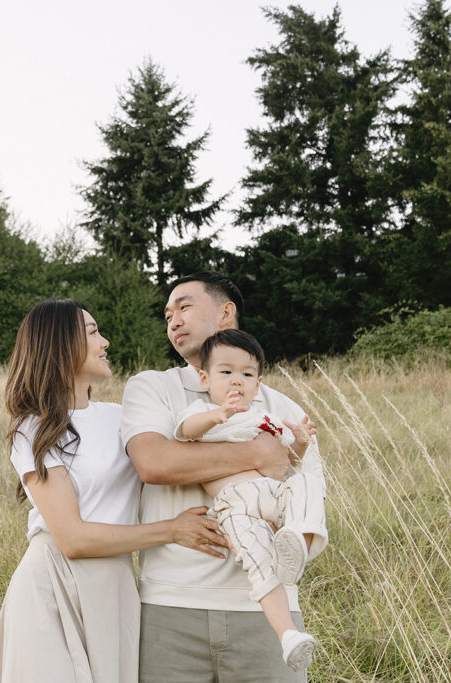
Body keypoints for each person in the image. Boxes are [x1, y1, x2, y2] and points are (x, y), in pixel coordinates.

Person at [0, 298, 227, 683]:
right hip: (53, 582)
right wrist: (172, 530)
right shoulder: (33, 428)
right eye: (93, 332)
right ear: (60, 344)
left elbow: (185, 449)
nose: (106, 341)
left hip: (114, 583)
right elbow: (73, 539)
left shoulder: (121, 418)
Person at [122, 272, 328, 682]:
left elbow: (307, 489)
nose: (173, 321)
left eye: (184, 306)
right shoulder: (153, 387)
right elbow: (155, 464)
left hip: (265, 609)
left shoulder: (279, 403)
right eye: (167, 315)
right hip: (170, 605)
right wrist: (256, 452)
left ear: (225, 313)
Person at [174, 328, 326, 671]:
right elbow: (186, 431)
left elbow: (290, 462)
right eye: (225, 373)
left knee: (307, 485)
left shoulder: (265, 418)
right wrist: (216, 415)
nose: (236, 382)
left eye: (246, 374)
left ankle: (296, 542)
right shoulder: (198, 412)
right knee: (259, 566)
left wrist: (300, 441)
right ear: (204, 378)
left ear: (258, 384)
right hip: (235, 506)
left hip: (273, 495)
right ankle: (288, 635)